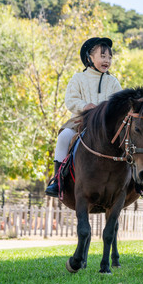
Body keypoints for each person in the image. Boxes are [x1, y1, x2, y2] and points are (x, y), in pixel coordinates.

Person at [45, 37, 122, 197]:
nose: (107, 60)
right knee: (64, 137)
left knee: (129, 137)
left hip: (106, 125)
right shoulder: (78, 78)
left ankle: (138, 179)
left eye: (109, 57)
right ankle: (58, 180)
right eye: (102, 56)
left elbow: (119, 103)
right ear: (89, 57)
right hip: (80, 121)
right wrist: (85, 106)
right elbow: (70, 100)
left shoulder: (113, 82)